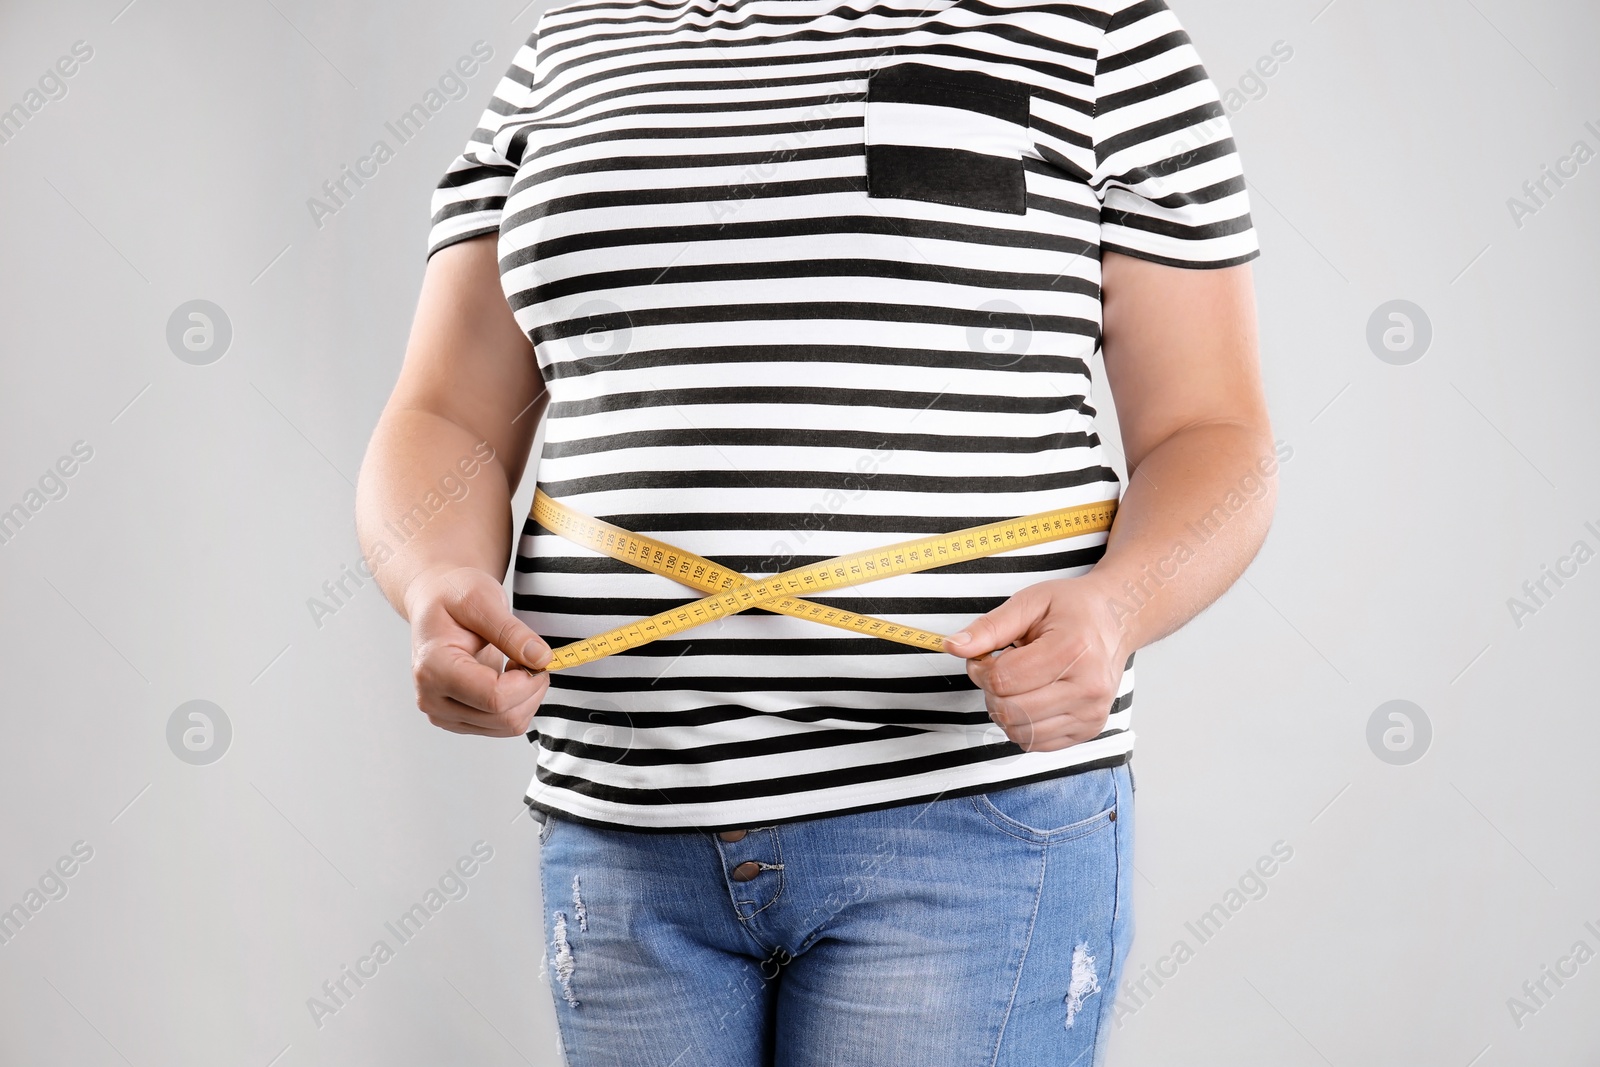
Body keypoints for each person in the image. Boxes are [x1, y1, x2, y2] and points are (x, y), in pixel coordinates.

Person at [355, 0, 1276, 1062]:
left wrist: (1116, 607)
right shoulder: (571, 45)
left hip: (961, 810)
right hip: (619, 822)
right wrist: (433, 575)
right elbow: (445, 412)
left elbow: (1216, 433)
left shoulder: (1096, 32)